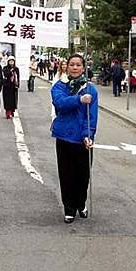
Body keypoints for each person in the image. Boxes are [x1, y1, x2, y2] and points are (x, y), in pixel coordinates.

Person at [51, 54, 98, 224]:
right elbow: (60, 104)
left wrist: (89, 135)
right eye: (72, 64)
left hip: (83, 139)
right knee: (66, 174)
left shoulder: (91, 89)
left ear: (83, 67)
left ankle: (81, 203)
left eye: (78, 65)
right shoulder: (59, 86)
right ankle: (69, 208)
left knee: (83, 175)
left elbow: (92, 115)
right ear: (67, 67)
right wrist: (78, 99)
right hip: (64, 136)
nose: (75, 67)